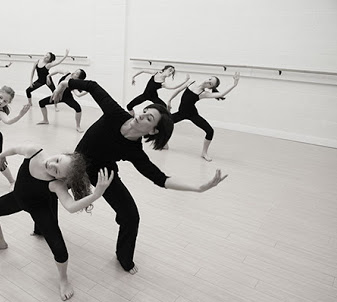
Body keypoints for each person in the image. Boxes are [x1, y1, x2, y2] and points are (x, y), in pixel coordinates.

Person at [52, 78, 227, 274]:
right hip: (77, 162)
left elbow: (160, 179)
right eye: (145, 112)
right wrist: (63, 84)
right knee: (48, 189)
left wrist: (198, 188)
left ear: (152, 131)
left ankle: (124, 257)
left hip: (103, 173)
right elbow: (92, 86)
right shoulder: (115, 114)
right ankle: (42, 225)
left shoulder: (134, 151)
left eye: (148, 119)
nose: (141, 116)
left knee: (130, 216)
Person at [0, 144, 114, 300]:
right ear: (60, 154)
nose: (51, 165)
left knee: (60, 250)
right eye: (57, 160)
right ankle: (0, 242)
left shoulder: (56, 184)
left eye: (56, 170)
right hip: (17, 199)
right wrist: (2, 155)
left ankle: (63, 279)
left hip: (39, 209)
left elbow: (70, 206)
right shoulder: (34, 152)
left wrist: (96, 195)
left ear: (60, 178)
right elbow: (16, 149)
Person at [167, 72, 240, 161]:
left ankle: (204, 153)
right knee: (165, 122)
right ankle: (163, 142)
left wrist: (234, 85)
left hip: (192, 114)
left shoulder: (203, 93)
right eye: (210, 79)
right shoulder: (191, 82)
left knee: (210, 131)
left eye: (211, 84)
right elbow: (178, 91)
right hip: (181, 113)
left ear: (210, 88)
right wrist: (169, 100)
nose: (208, 82)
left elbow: (220, 95)